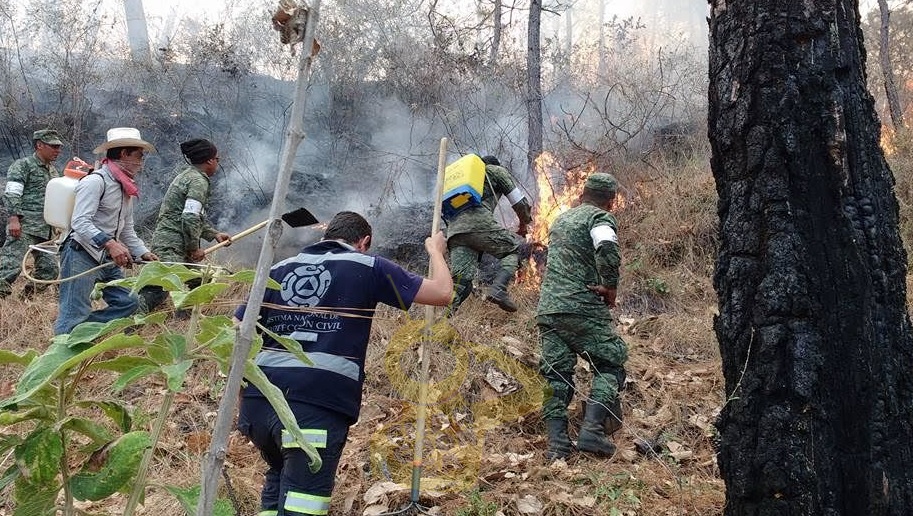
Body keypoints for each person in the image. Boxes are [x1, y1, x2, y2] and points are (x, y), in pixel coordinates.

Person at [235, 211, 453, 516]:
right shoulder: (369, 266)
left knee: (277, 485)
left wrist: (243, 397)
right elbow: (442, 293)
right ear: (363, 242)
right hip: (314, 407)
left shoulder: (279, 268)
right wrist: (435, 252)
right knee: (303, 506)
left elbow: (235, 331)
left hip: (259, 406)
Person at [536, 172, 627, 461]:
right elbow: (607, 247)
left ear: (581, 194)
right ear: (610, 201)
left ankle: (557, 445)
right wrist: (610, 286)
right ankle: (592, 432)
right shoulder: (599, 218)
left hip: (549, 310)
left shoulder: (561, 219)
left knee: (556, 374)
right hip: (581, 307)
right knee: (610, 362)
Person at [54, 128, 160, 335]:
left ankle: (82, 331)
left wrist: (143, 253)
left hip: (106, 258)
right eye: (138, 155)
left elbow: (127, 230)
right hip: (81, 254)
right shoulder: (95, 182)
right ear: (124, 154)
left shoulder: (125, 188)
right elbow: (80, 222)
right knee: (73, 312)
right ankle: (64, 350)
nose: (141, 161)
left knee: (128, 303)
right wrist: (111, 244)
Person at [137, 138, 231, 313]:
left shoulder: (189, 176)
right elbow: (189, 217)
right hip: (171, 245)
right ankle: (129, 323)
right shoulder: (198, 181)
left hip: (178, 243)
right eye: (217, 159)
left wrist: (213, 234)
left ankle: (185, 321)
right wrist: (194, 248)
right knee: (159, 290)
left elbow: (191, 215)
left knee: (200, 282)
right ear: (210, 160)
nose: (218, 164)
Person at [445, 155, 532, 313]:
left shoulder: (465, 182)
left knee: (461, 283)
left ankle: (442, 322)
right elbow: (519, 201)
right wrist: (524, 223)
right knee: (516, 249)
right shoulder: (495, 171)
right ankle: (498, 289)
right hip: (477, 224)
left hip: (454, 232)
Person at [0, 129, 64, 299]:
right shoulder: (23, 165)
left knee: (49, 271)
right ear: (39, 145)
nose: (58, 151)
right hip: (24, 227)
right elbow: (12, 193)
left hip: (46, 231)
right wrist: (14, 219)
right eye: (54, 146)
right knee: (9, 269)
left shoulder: (53, 171)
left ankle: (25, 300)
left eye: (59, 147)